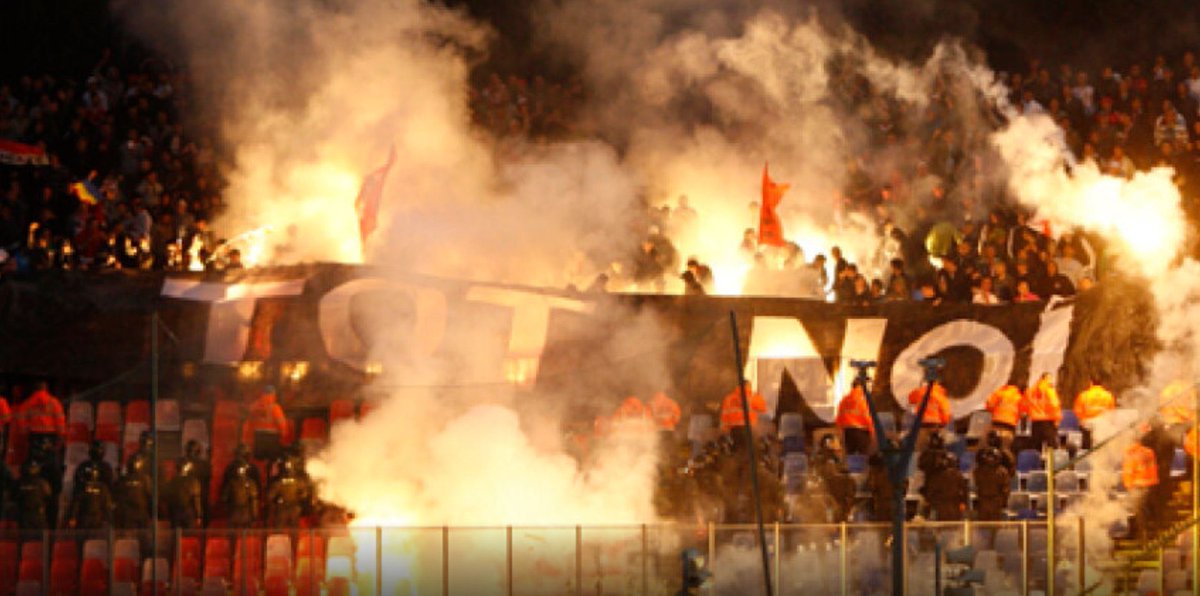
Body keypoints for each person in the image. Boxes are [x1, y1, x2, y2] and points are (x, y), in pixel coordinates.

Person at [1123, 439, 1161, 538]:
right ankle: (1153, 529)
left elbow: (1129, 472)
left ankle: (1142, 532)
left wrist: (1128, 486)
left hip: (1138, 485)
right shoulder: (1149, 451)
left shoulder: (1132, 454)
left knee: (1137, 510)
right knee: (1148, 509)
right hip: (1151, 483)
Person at [974, 432, 1015, 521]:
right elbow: (976, 479)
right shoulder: (981, 457)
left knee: (995, 524)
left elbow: (1011, 472)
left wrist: (1003, 500)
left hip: (997, 498)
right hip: (983, 498)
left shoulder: (1004, 460)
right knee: (983, 523)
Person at [243, 385, 291, 461]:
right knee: (272, 461)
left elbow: (247, 424)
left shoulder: (254, 407)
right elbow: (282, 425)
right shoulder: (275, 408)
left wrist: (248, 440)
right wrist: (283, 436)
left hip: (257, 440)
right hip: (271, 441)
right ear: (274, 394)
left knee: (258, 461)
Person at [220, 444, 262, 529]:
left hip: (241, 505)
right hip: (239, 505)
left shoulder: (231, 467)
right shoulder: (250, 468)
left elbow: (225, 488)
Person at [265, 458, 313, 528]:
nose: (288, 472)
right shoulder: (280, 483)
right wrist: (277, 500)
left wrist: (299, 498)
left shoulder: (296, 482)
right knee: (281, 527)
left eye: (289, 470)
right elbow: (270, 496)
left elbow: (304, 493)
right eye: (287, 470)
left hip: (292, 507)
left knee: (292, 527)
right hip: (284, 508)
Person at [1022, 373, 1062, 451]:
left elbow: (1024, 405)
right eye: (1050, 379)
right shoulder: (1049, 390)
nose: (1051, 381)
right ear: (1046, 379)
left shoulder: (1030, 391)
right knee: (1051, 446)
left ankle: (1035, 458)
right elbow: (1054, 405)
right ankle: (1050, 459)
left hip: (1035, 421)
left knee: (1035, 445)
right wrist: (1057, 421)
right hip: (1048, 421)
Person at [908, 380, 951, 451]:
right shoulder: (941, 395)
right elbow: (945, 414)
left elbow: (910, 399)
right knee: (938, 450)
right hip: (936, 427)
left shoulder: (920, 391)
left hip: (922, 426)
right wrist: (943, 423)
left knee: (919, 450)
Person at [67, 465, 113, 530]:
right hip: (85, 517)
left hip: (96, 518)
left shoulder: (102, 487)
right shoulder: (83, 487)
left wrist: (108, 519)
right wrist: (73, 517)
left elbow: (107, 505)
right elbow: (76, 503)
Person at [835, 380, 875, 455]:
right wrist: (872, 431)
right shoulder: (863, 398)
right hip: (861, 432)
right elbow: (867, 416)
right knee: (863, 455)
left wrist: (840, 431)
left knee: (851, 454)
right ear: (861, 387)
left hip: (848, 432)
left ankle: (852, 462)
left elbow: (839, 417)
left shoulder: (844, 400)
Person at [113, 456, 153, 529]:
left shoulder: (124, 479)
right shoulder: (144, 479)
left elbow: (117, 496)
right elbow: (150, 497)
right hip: (134, 514)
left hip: (134, 514)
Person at [1074, 380, 1116, 448]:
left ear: (1091, 383)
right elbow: (1111, 411)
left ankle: (1087, 449)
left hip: (1088, 423)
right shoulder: (1108, 396)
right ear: (1101, 384)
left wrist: (1082, 421)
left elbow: (1078, 411)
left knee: (1086, 439)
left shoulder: (1084, 395)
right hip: (1103, 423)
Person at [16, 458, 54, 530]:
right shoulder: (21, 482)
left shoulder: (41, 482)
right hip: (27, 513)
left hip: (36, 513)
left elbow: (48, 497)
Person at [986, 384, 1024, 451]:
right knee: (1005, 448)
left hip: (996, 423)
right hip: (1009, 426)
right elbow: (1022, 412)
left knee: (991, 446)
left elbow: (989, 405)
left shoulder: (999, 393)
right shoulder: (1019, 397)